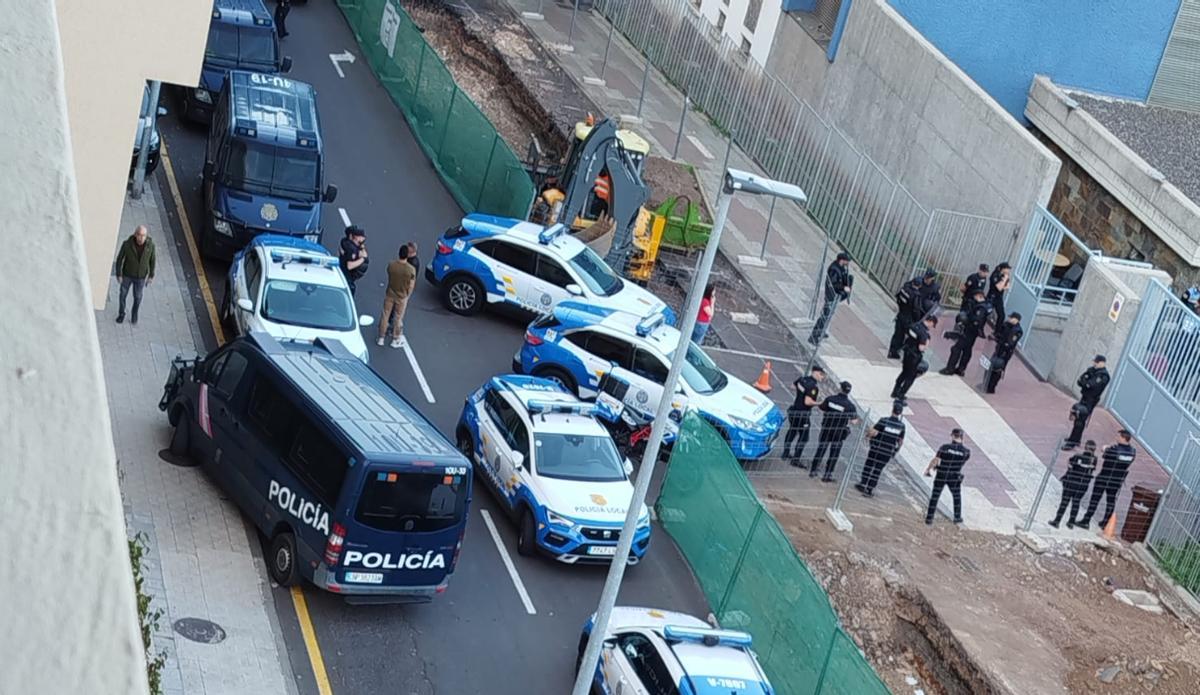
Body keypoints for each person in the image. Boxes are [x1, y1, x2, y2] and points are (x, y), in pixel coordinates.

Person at [1076, 430, 1137, 529]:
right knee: (1111, 500)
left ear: (1123, 438)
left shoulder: (1114, 449)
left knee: (1095, 499)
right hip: (1117, 480)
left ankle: (1086, 520)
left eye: (1118, 437)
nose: (1117, 438)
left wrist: (1105, 449)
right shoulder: (1132, 452)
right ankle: (1105, 522)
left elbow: (1105, 455)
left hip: (1105, 476)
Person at [810, 381, 859, 481]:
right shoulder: (850, 406)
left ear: (840, 389)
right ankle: (828, 474)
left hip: (827, 427)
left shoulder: (830, 399)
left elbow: (822, 408)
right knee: (834, 453)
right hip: (839, 431)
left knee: (821, 448)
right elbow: (854, 421)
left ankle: (813, 470)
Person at [855, 400, 906, 497]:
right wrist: (896, 450)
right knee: (877, 470)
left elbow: (873, 432)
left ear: (892, 410)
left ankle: (863, 483)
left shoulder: (884, 421)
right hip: (887, 451)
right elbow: (900, 441)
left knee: (869, 465)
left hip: (876, 448)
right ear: (900, 413)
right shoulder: (901, 426)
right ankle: (869, 489)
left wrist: (867, 437)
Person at [888, 269, 940, 359]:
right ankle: (896, 351)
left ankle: (899, 350)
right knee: (903, 334)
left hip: (919, 312)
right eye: (926, 277)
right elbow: (914, 306)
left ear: (932, 278)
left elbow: (936, 300)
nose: (926, 279)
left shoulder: (934, 288)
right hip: (910, 314)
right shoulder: (917, 284)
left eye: (928, 278)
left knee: (906, 334)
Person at [924, 428, 971, 525]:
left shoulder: (944, 447)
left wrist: (928, 469)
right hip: (954, 476)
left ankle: (929, 519)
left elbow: (936, 460)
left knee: (935, 495)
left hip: (942, 473)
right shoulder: (966, 452)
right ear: (962, 438)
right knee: (956, 496)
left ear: (953, 436)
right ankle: (957, 517)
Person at [1063, 355, 1110, 450]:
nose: (1094, 364)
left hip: (1090, 400)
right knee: (1077, 417)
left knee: (1080, 420)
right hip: (1084, 397)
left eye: (1096, 362)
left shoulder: (1103, 376)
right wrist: (1086, 383)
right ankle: (1074, 439)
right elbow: (1081, 381)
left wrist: (1086, 383)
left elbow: (1091, 385)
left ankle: (1073, 442)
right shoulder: (1092, 370)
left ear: (1102, 363)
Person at [939, 289, 991, 376]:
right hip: (973, 332)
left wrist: (966, 321)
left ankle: (950, 369)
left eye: (975, 297)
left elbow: (976, 321)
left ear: (979, 296)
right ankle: (961, 369)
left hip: (970, 331)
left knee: (956, 348)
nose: (974, 298)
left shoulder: (981, 308)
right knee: (967, 350)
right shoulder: (985, 305)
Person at [114, 224, 156, 325]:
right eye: (140, 235)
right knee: (122, 295)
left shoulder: (150, 246)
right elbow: (120, 259)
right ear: (135, 234)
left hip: (140, 277)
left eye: (144, 235)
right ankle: (121, 314)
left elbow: (152, 261)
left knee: (138, 297)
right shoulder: (127, 244)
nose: (142, 238)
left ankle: (134, 313)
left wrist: (151, 276)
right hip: (127, 275)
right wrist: (119, 274)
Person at [1048, 440, 1097, 528]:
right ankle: (1071, 522)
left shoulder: (1078, 456)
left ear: (1085, 447)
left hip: (1072, 482)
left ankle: (1057, 520)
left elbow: (1070, 464)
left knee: (1064, 502)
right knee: (1076, 502)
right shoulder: (1094, 460)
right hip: (1083, 484)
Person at [783, 365, 825, 465]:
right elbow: (808, 402)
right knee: (804, 437)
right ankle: (796, 459)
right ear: (815, 372)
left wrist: (800, 394)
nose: (822, 377)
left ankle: (785, 453)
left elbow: (793, 386)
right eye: (821, 374)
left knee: (792, 431)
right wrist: (820, 403)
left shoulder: (802, 379)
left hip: (794, 410)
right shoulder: (813, 387)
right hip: (803, 414)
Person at [809, 252, 853, 345]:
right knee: (825, 316)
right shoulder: (834, 269)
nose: (847, 263)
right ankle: (814, 336)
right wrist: (843, 288)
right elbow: (833, 284)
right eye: (846, 261)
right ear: (842, 260)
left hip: (835, 296)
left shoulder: (841, 268)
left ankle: (821, 331)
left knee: (828, 315)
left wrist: (848, 280)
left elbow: (843, 280)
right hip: (831, 295)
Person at [891, 314, 937, 400]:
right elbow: (921, 347)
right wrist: (927, 343)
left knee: (904, 372)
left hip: (906, 353)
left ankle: (895, 391)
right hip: (914, 357)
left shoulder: (914, 326)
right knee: (910, 377)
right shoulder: (924, 333)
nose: (931, 327)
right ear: (931, 322)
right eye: (932, 325)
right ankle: (901, 394)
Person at [378, 245, 417, 348]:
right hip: (402, 296)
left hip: (390, 293)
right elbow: (411, 285)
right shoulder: (411, 269)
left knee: (385, 315)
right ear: (407, 255)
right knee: (398, 318)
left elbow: (389, 274)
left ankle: (381, 337)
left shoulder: (391, 265)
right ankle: (395, 339)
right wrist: (407, 295)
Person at [983, 312, 1023, 394]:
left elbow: (1010, 342)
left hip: (1005, 352)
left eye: (1011, 318)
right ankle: (986, 383)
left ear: (1016, 320)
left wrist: (1002, 342)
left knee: (998, 368)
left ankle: (991, 387)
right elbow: (999, 334)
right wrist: (995, 337)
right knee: (990, 365)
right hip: (999, 349)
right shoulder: (1006, 325)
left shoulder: (1017, 330)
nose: (1009, 319)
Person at [339, 225, 369, 295]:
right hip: (347, 277)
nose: (363, 238)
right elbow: (349, 266)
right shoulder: (351, 249)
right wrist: (363, 259)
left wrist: (361, 248)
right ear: (354, 237)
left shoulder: (344, 241)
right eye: (361, 236)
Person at [987, 262, 1012, 328]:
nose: (1008, 271)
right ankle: (979, 327)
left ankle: (997, 331)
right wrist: (1004, 280)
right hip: (992, 296)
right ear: (1003, 268)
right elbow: (999, 288)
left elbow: (1007, 287)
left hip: (999, 298)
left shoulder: (1005, 276)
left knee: (1001, 315)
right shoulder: (995, 275)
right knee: (986, 312)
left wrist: (1004, 282)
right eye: (1007, 269)